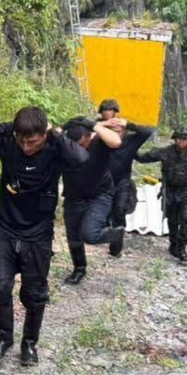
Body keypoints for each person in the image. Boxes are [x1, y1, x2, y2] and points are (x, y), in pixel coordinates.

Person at [0, 107, 88, 369]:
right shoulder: (9, 143)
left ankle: (30, 343)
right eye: (21, 140)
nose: (25, 146)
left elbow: (81, 158)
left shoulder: (56, 150)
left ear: (44, 134)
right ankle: (4, 337)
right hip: (6, 229)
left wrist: (55, 135)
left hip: (38, 235)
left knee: (34, 293)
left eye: (32, 141)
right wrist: (7, 128)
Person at [58, 116, 124, 285]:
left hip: (99, 195)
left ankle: (115, 234)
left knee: (89, 234)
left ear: (89, 136)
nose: (77, 150)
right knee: (73, 237)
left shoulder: (99, 142)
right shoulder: (66, 143)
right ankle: (79, 269)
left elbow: (116, 141)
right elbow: (54, 131)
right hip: (73, 196)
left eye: (81, 145)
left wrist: (95, 125)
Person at [134, 126, 187, 263]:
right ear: (175, 139)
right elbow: (146, 157)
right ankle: (173, 244)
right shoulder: (166, 152)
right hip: (170, 191)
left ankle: (182, 247)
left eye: (184, 140)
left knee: (186, 219)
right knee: (172, 219)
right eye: (179, 139)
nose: (181, 142)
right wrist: (130, 149)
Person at [97, 99, 156, 257]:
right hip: (102, 183)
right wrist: (103, 124)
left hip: (122, 183)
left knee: (119, 213)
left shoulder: (130, 141)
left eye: (119, 129)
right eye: (112, 129)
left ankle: (115, 248)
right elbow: (84, 128)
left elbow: (147, 132)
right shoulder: (101, 140)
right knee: (104, 213)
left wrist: (128, 124)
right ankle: (103, 234)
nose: (116, 131)